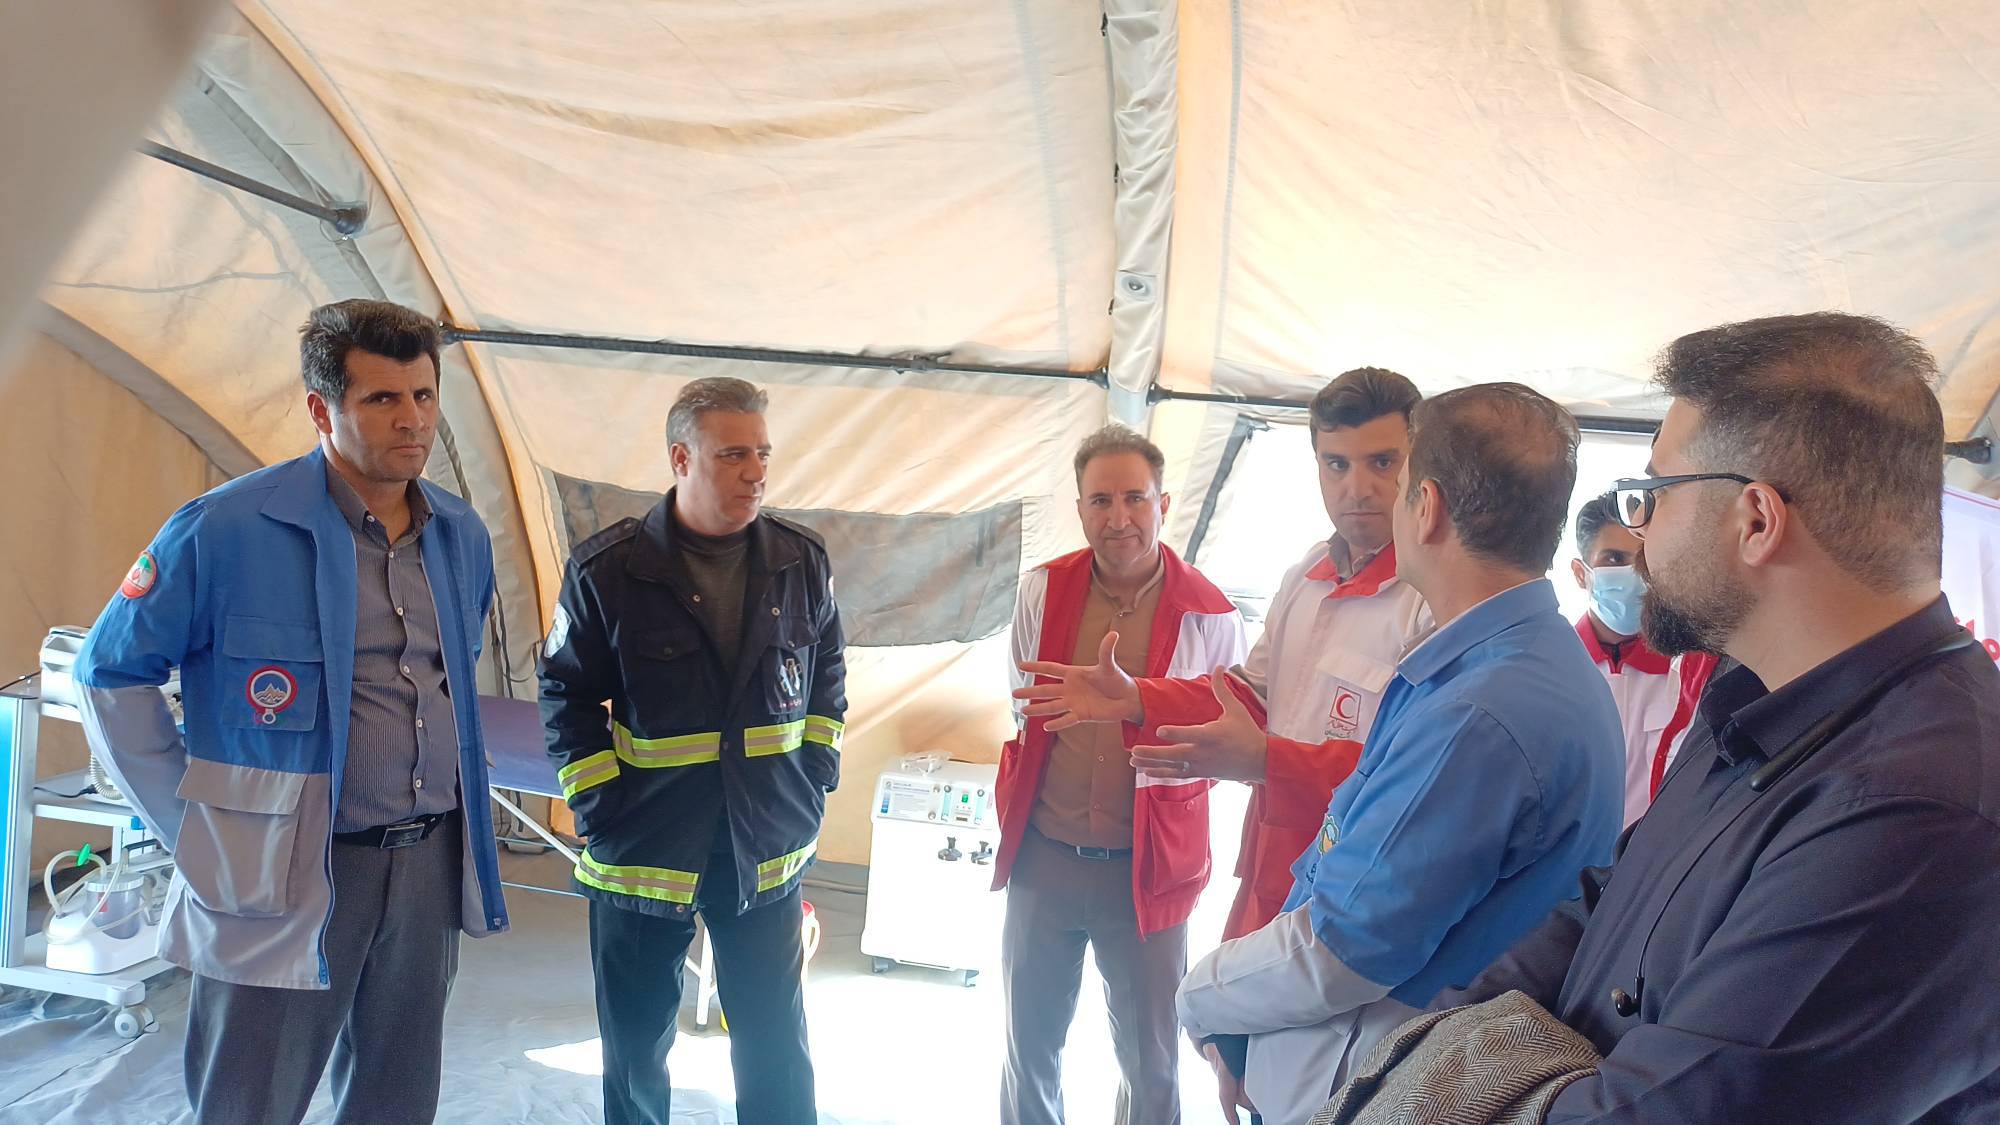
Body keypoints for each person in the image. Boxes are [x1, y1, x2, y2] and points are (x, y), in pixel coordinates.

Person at [1433, 313, 2000, 1122]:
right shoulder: (1753, 691)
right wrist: (1444, 1046)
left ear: (1757, 520)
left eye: (1655, 495)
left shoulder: (1919, 808)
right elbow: (1608, 903)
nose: (1639, 531)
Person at [72, 299, 510, 1125]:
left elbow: (448, 677)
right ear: (321, 409)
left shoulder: (461, 533)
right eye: (383, 398)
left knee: (396, 1096)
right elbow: (108, 671)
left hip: (426, 858)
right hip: (285, 866)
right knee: (252, 1097)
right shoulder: (224, 529)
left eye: (424, 394)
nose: (412, 419)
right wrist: (194, 824)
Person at [1018, 368, 1432, 951]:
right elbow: (1247, 695)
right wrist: (1137, 698)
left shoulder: (1432, 598)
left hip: (1363, 881)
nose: (1357, 488)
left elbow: (1419, 778)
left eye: (1382, 463)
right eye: (1336, 464)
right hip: (1270, 861)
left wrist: (1267, 761)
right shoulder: (1306, 576)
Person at [538, 376, 845, 1125]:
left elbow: (828, 677)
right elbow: (565, 694)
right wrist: (597, 806)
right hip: (644, 849)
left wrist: (815, 777)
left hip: (764, 846)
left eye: (762, 453)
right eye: (733, 454)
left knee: (776, 1046)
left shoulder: (802, 561)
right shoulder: (607, 572)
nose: (755, 471)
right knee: (636, 1051)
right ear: (681, 458)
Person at [993, 425, 1247, 1125]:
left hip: (1148, 870)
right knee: (1028, 1047)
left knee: (1152, 1060)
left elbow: (1227, 740)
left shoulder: (1211, 613)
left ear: (1164, 503)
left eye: (1135, 498)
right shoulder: (1043, 590)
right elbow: (1023, 704)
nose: (1119, 517)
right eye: (1100, 500)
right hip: (1044, 857)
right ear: (1080, 509)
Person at [1568, 494, 1679, 825]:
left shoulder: (1685, 670)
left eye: (1642, 559)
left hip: (1657, 850)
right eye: (1614, 559)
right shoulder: (1552, 669)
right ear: (1580, 573)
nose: (1633, 574)